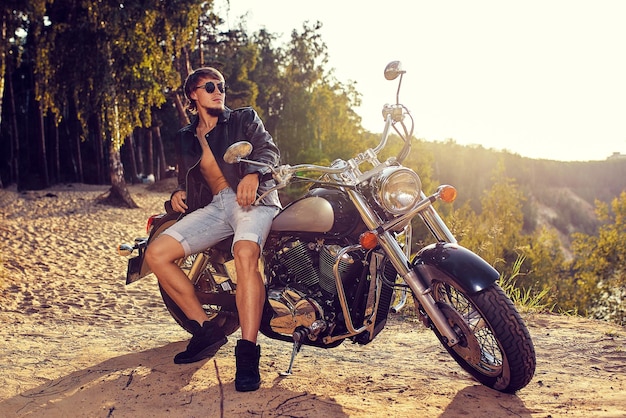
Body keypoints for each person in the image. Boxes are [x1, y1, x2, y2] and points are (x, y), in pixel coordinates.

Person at [145, 67, 281, 392]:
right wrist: (177, 193)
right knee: (156, 254)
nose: (218, 90)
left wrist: (253, 174)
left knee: (245, 252)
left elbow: (268, 151)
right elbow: (187, 177)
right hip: (216, 206)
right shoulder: (184, 137)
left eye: (221, 85)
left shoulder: (242, 119)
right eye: (209, 86)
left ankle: (247, 354)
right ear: (193, 94)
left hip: (254, 199)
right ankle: (206, 332)